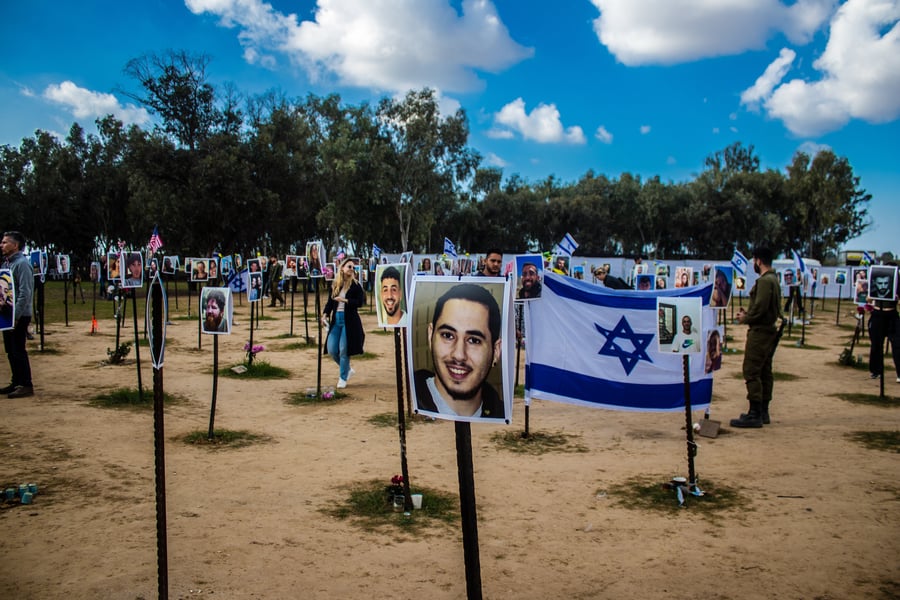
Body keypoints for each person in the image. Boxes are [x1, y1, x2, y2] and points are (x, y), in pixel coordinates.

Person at [414, 283, 505, 419]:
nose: (459, 355)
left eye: (474, 340)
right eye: (448, 336)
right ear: (430, 336)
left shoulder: (499, 412)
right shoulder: (408, 399)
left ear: (496, 351)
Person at [730, 246, 782, 428]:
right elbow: (764, 307)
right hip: (768, 330)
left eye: (754, 260)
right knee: (764, 371)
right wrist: (750, 313)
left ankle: (754, 413)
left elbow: (760, 308)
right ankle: (763, 411)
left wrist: (746, 318)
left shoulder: (765, 281)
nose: (754, 263)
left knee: (751, 370)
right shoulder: (773, 279)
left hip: (760, 332)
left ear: (758, 261)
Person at [1, 231, 34, 398]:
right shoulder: (7, 264)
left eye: (5, 242)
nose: (1, 245)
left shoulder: (22, 264)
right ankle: (16, 381)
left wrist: (16, 315)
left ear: (15, 245)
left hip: (19, 315)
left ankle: (26, 384)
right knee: (10, 350)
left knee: (18, 349)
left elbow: (25, 292)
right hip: (8, 314)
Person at [323, 258, 365, 389]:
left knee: (343, 350)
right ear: (342, 268)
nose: (351, 269)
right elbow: (330, 302)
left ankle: (342, 377)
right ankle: (347, 369)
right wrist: (325, 314)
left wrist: (345, 300)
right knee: (331, 349)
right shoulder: (336, 284)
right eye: (349, 267)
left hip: (350, 321)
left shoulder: (356, 285)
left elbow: (359, 302)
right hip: (337, 320)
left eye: (353, 267)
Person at [867, 264, 900, 382]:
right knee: (876, 344)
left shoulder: (897, 284)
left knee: (897, 344)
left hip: (891, 315)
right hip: (877, 315)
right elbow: (868, 299)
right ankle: (876, 370)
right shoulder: (874, 283)